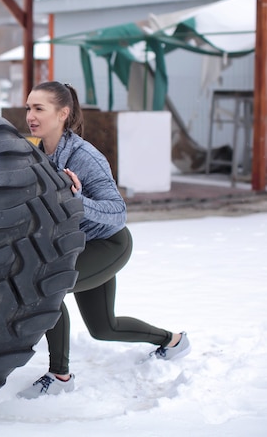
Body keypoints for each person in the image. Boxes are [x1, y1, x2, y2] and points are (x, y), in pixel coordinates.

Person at [17, 81, 190, 399]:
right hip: (76, 246)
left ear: (63, 113)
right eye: (29, 107)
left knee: (47, 287)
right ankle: (173, 341)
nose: (30, 115)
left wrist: (77, 199)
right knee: (103, 327)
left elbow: (118, 212)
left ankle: (60, 377)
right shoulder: (37, 154)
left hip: (108, 244)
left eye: (39, 108)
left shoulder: (85, 158)